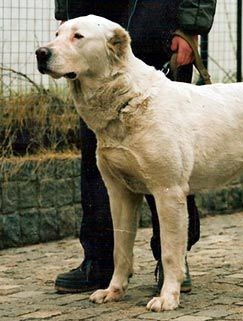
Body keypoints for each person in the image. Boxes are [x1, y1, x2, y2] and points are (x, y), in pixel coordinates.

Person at [53, 0, 216, 293]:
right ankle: (101, 261)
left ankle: (172, 264)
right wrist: (67, 20)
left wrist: (190, 25)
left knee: (166, 163)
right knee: (100, 163)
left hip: (157, 21)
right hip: (91, 21)